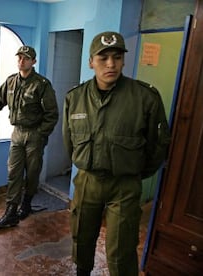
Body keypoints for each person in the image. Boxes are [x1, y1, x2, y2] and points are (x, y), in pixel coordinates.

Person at [62, 31, 171, 276]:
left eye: (117, 57)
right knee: (82, 236)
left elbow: (158, 145)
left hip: (124, 184)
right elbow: (69, 142)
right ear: (91, 62)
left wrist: (136, 173)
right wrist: (84, 165)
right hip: (87, 180)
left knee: (121, 249)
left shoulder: (145, 97)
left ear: (123, 60)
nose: (111, 64)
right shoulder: (75, 98)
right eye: (103, 58)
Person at [0, 45, 59, 228]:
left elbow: (52, 114)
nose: (21, 61)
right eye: (19, 57)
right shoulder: (11, 82)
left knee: (32, 173)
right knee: (13, 172)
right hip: (17, 133)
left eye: (26, 58)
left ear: (33, 62)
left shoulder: (41, 84)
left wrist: (40, 133)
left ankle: (27, 203)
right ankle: (11, 211)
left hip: (34, 134)